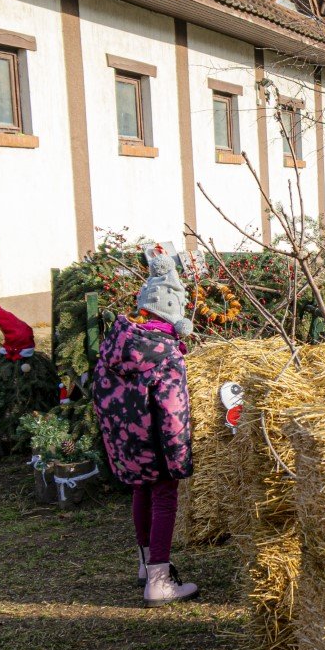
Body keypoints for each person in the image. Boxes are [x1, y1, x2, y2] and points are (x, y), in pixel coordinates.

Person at [91, 248, 198, 607]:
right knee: (165, 499)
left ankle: (145, 563)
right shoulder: (166, 354)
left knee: (141, 491)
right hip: (156, 442)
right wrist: (180, 457)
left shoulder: (116, 343)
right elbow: (173, 412)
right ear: (175, 312)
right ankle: (160, 581)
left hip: (127, 442)